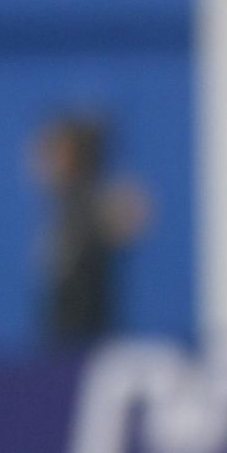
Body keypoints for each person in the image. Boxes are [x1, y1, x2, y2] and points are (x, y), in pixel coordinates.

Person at [31, 113, 150, 348]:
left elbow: (129, 218)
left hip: (86, 331)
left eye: (56, 152)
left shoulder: (90, 201)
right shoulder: (63, 204)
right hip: (64, 329)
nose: (47, 162)